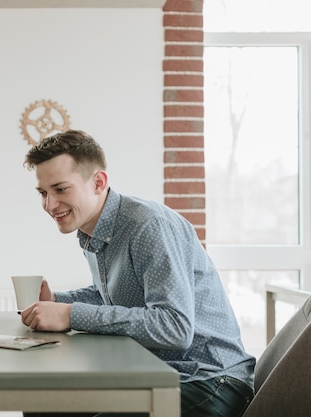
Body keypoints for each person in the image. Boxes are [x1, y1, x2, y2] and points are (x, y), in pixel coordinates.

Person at [20, 129, 255, 417]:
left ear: (98, 182)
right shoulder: (94, 230)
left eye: (60, 189)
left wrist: (69, 314)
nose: (49, 205)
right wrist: (58, 300)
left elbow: (175, 327)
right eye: (43, 193)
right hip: (160, 373)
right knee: (45, 405)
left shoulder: (147, 225)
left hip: (210, 380)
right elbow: (118, 295)